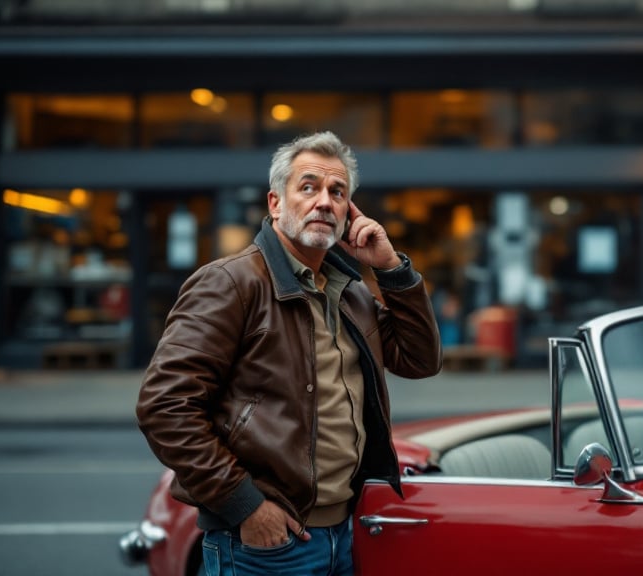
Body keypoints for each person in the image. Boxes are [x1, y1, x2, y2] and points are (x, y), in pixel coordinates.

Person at [136, 131, 442, 576]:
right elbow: (164, 407)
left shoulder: (350, 291)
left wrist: (391, 269)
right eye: (309, 187)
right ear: (276, 203)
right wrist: (245, 505)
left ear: (349, 211)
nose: (324, 202)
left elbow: (420, 360)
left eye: (338, 192)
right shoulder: (231, 282)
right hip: (266, 546)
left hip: (344, 534)